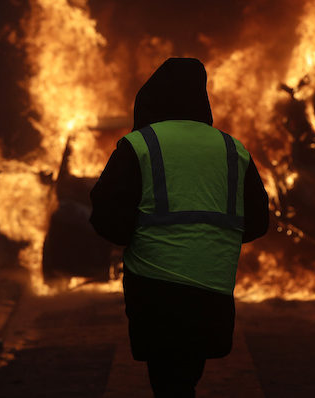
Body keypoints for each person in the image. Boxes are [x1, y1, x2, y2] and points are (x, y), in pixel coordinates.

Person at [90, 57, 269, 397]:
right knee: (186, 374)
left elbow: (107, 216)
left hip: (154, 288)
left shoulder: (140, 145)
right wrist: (213, 239)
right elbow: (258, 222)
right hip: (213, 286)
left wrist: (137, 237)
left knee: (167, 379)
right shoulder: (234, 149)